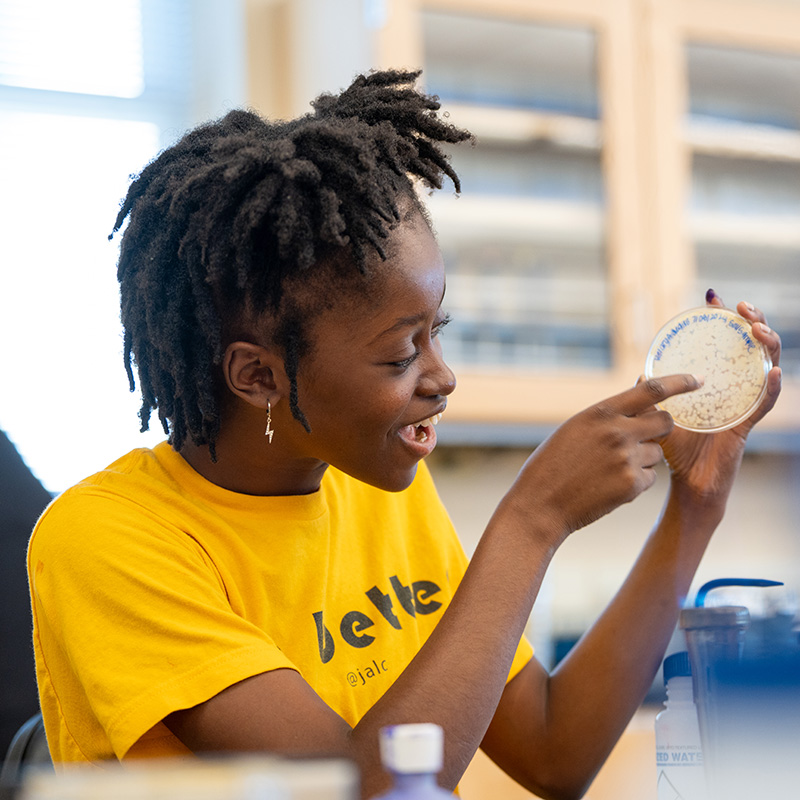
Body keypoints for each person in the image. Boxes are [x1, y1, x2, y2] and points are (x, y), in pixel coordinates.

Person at [28, 69, 782, 799]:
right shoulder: (105, 540)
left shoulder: (378, 488)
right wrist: (531, 520)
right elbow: (361, 793)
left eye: (436, 330)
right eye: (400, 352)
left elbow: (553, 752)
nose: (441, 375)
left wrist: (696, 505)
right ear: (257, 377)